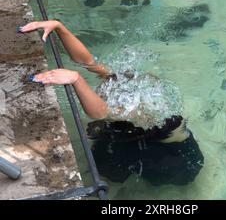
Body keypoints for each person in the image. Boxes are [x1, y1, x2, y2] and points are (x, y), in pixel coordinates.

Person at [19, 20, 204, 185]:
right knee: (107, 166)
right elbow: (89, 63)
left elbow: (102, 112)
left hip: (173, 151)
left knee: (171, 177)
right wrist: (59, 27)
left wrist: (76, 79)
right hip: (132, 134)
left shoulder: (146, 110)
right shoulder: (123, 81)